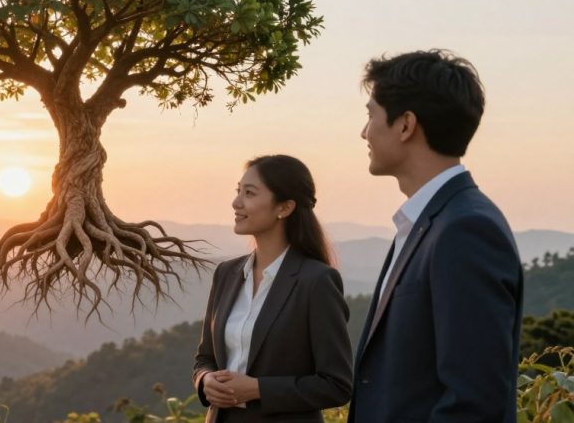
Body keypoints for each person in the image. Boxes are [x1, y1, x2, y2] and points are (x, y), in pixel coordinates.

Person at [350, 49, 523, 422]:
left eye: (370, 115)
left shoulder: (465, 230)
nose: (364, 131)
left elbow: (474, 401)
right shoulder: (427, 223)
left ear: (405, 125)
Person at [193, 155, 352, 423]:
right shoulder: (226, 274)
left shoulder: (317, 281)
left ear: (285, 207)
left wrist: (257, 389)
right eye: (238, 191)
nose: (236, 202)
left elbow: (337, 385)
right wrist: (205, 380)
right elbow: (205, 358)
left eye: (249, 193)